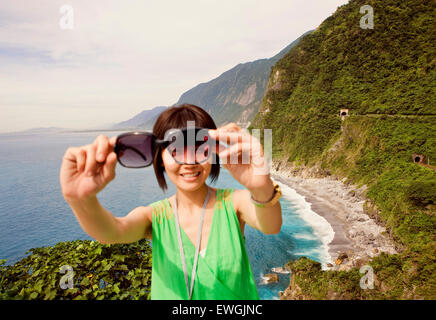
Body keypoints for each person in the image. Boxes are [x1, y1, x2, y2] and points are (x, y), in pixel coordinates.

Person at [60, 103, 282, 300]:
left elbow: (271, 226)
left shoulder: (234, 203)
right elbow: (112, 232)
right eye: (176, 149)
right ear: (160, 157)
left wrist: (260, 185)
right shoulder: (154, 216)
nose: (189, 161)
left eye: (198, 146)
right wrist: (80, 199)